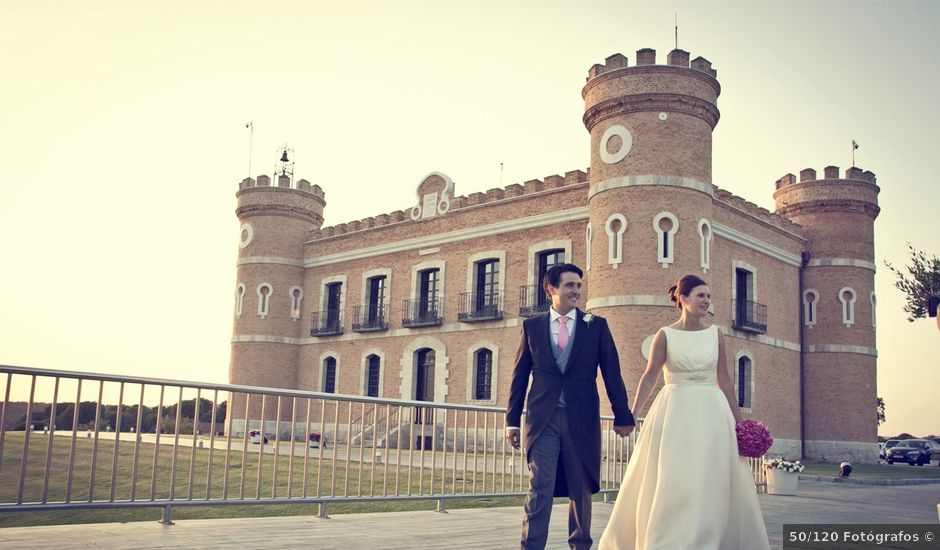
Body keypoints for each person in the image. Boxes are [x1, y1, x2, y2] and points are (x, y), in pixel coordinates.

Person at [598, 275, 770, 549]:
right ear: (683, 298)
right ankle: (669, 537)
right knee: (675, 474)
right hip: (675, 410)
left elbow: (724, 379)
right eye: (701, 295)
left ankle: (709, 536)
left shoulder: (716, 334)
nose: (706, 301)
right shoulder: (665, 335)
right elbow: (650, 376)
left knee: (710, 473)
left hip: (712, 413)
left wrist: (739, 423)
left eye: (708, 296)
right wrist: (631, 413)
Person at [506, 263, 635, 550]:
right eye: (570, 285)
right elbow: (519, 376)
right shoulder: (532, 326)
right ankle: (531, 546)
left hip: (582, 418)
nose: (576, 291)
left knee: (581, 487)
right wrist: (512, 421)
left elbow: (612, 373)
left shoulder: (596, 326)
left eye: (579, 285)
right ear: (551, 289)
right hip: (543, 420)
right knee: (540, 486)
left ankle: (580, 545)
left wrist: (622, 415)